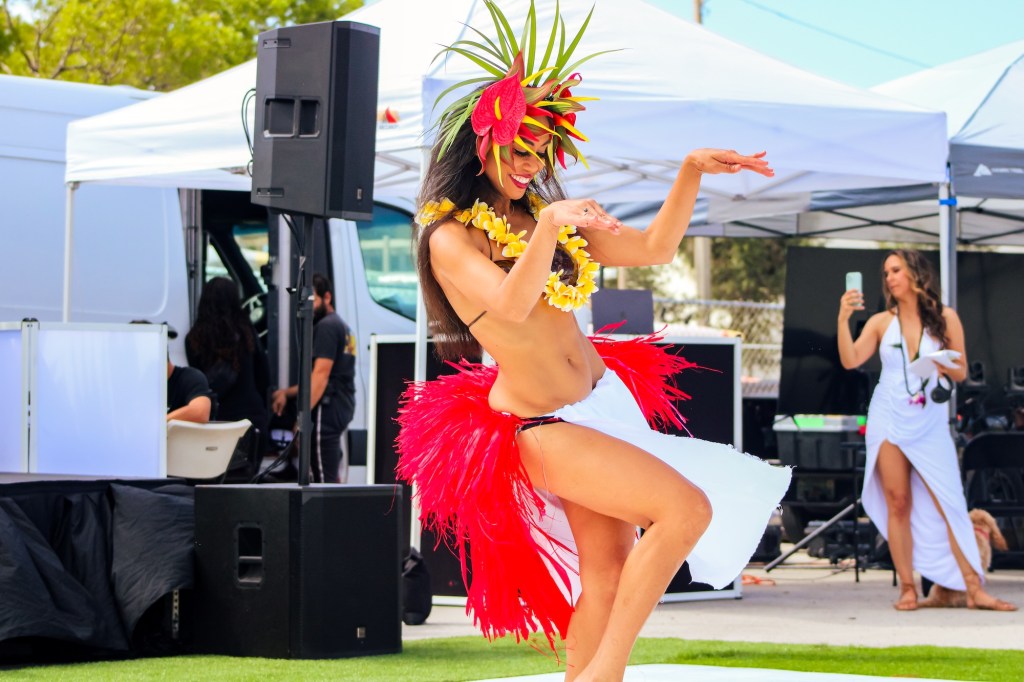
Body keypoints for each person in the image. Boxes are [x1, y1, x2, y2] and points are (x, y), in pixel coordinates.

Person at [395, 4, 792, 680]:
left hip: (602, 407)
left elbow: (654, 246)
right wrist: (548, 225)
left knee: (606, 572)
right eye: (519, 150)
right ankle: (608, 674)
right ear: (483, 142)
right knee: (684, 509)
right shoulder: (450, 237)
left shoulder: (538, 217)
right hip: (542, 423)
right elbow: (512, 305)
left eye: (540, 154)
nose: (530, 165)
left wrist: (690, 170)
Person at [838, 249, 1016, 612]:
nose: (889, 277)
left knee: (948, 500)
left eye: (896, 270)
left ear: (916, 275)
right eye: (886, 272)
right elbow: (850, 360)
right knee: (897, 502)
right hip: (888, 415)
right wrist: (843, 319)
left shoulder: (945, 317)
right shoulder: (879, 322)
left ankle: (973, 587)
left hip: (929, 419)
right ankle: (908, 587)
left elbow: (961, 372)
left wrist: (937, 364)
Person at [271, 273, 356, 483]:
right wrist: (287, 393)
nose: (307, 307)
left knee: (321, 480)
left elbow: (320, 376)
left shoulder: (326, 327)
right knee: (327, 473)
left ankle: (326, 515)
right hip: (339, 405)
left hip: (326, 410)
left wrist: (302, 418)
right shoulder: (341, 325)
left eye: (312, 300)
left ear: (327, 297)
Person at [185, 277, 271, 464]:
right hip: (250, 422)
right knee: (246, 484)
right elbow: (264, 376)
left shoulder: (193, 340)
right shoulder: (246, 333)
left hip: (215, 426)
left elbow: (198, 383)